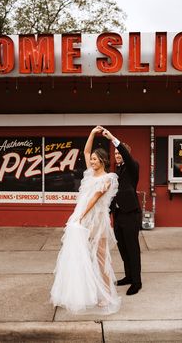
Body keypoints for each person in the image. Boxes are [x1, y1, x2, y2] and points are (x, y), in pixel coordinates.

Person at [50, 126, 121, 314]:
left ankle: (106, 294)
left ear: (103, 161)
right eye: (91, 160)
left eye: (95, 160)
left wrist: (80, 216)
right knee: (79, 256)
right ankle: (79, 292)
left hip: (97, 222)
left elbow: (95, 198)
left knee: (101, 258)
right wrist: (92, 133)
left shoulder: (108, 178)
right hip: (82, 220)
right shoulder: (90, 173)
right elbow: (86, 150)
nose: (91, 161)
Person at [102, 128, 142, 295]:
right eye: (116, 154)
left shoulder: (133, 167)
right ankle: (129, 276)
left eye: (120, 154)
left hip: (131, 214)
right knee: (123, 247)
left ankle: (137, 282)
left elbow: (125, 154)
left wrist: (112, 138)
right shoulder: (116, 171)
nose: (118, 156)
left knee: (132, 247)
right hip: (118, 215)